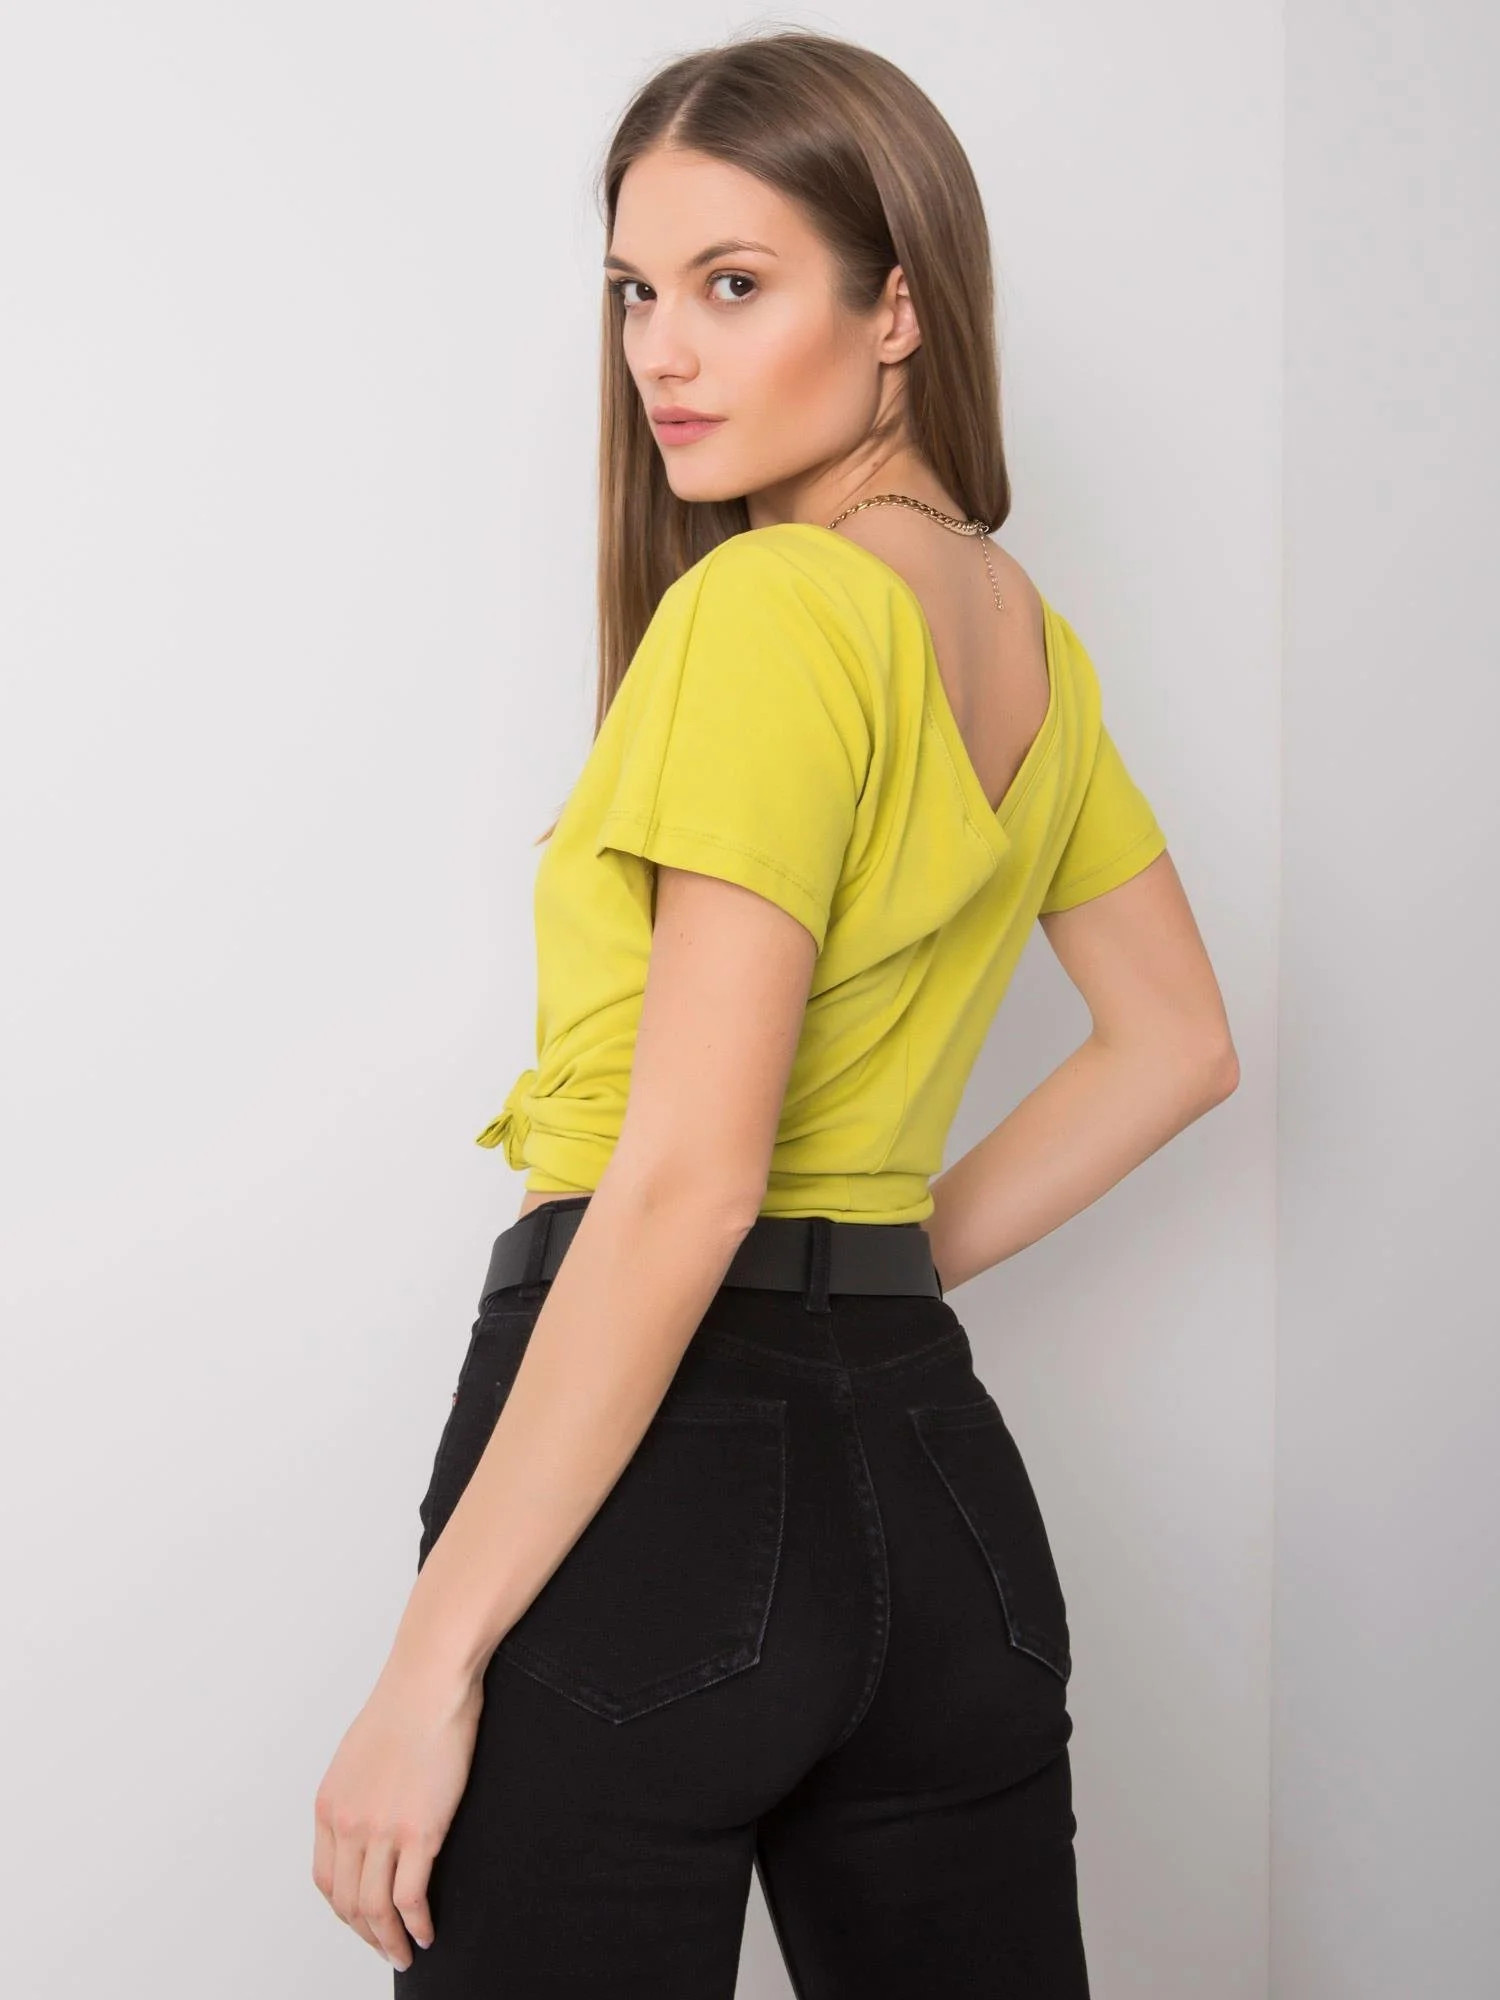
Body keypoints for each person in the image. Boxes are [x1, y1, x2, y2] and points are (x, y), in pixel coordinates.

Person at [313, 28, 1238, 1996]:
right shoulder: (1027, 643)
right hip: (935, 1491)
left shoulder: (769, 607)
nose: (664, 352)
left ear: (897, 307)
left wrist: (427, 1661)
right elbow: (1177, 1043)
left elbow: (688, 1180)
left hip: (661, 1493)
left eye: (734, 285)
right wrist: (874, 1266)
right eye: (636, 292)